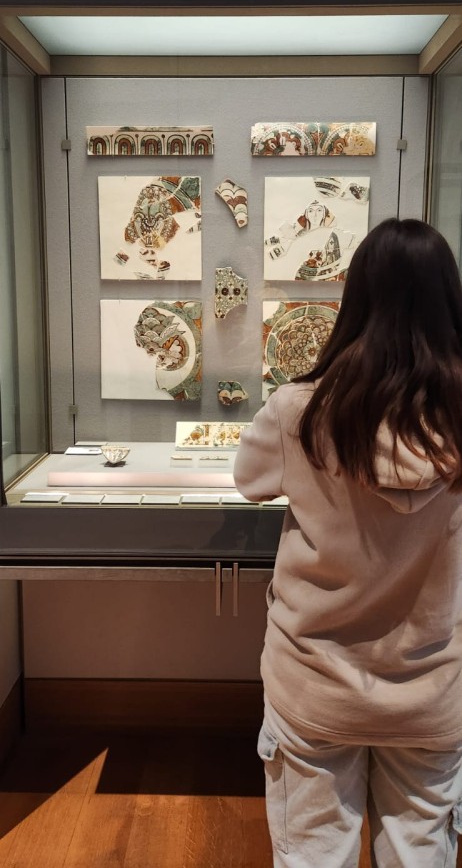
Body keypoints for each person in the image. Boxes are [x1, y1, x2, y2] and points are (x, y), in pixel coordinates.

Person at [233, 218, 462, 868]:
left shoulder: (299, 411)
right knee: (421, 855)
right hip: (433, 690)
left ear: (356, 297)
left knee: (311, 856)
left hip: (315, 683)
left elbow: (249, 481)